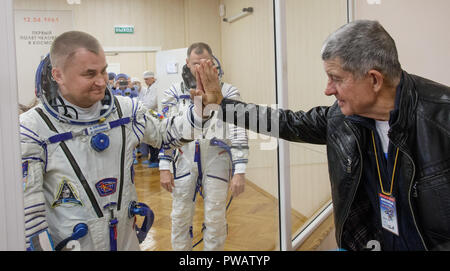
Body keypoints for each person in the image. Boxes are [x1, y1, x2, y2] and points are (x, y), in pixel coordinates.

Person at [195, 20, 450, 251]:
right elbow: (287, 122)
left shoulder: (442, 121)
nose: (327, 90)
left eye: (335, 78)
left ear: (374, 79)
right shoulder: (342, 118)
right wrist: (222, 104)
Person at [20, 30, 205, 251]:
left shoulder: (126, 111)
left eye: (104, 71)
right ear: (58, 75)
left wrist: (203, 109)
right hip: (72, 242)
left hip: (125, 237)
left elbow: (167, 134)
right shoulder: (33, 128)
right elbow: (29, 215)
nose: (101, 81)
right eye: (89, 74)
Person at [159, 42, 249, 251]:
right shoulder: (173, 92)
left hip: (217, 157)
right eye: (194, 63)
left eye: (204, 63)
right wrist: (164, 167)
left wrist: (240, 170)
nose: (199, 67)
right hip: (183, 158)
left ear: (212, 62)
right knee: (180, 215)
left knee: (216, 218)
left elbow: (238, 130)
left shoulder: (227, 92)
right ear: (187, 63)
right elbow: (166, 130)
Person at [137, 71, 160, 168]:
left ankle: (156, 160)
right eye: (144, 79)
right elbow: (145, 100)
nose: (145, 81)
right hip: (149, 115)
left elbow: (152, 103)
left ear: (152, 78)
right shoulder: (150, 88)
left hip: (155, 115)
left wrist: (142, 107)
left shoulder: (156, 87)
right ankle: (152, 159)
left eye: (147, 79)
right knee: (150, 138)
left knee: (155, 138)